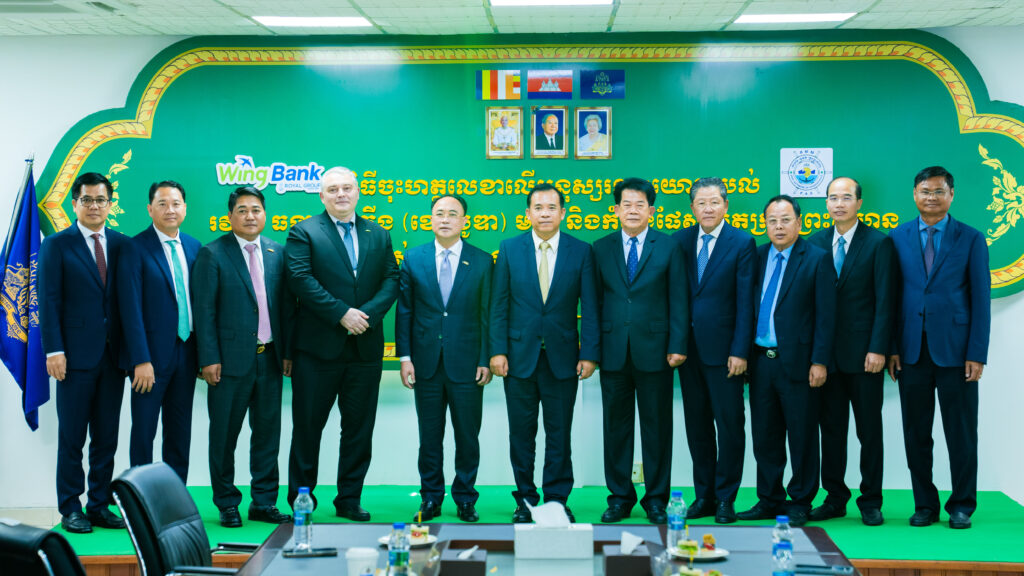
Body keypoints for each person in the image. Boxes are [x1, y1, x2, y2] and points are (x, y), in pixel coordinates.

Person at [285, 166, 399, 522]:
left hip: (365, 350)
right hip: (317, 351)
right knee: (308, 429)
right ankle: (302, 500)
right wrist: (341, 314)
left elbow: (391, 278)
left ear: (358, 192)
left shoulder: (378, 233)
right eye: (333, 189)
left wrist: (366, 315)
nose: (341, 194)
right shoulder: (304, 231)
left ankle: (349, 499)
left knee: (358, 430)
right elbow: (300, 279)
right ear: (322, 196)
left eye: (347, 188)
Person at [887, 166, 990, 530]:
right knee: (916, 434)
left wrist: (977, 352)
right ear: (914, 195)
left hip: (957, 353)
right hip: (911, 351)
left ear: (951, 195)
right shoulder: (897, 237)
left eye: (938, 191)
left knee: (961, 433)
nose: (931, 197)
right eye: (925, 191)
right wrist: (892, 347)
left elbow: (981, 298)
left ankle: (961, 505)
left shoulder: (971, 238)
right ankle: (925, 505)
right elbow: (891, 297)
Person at [489, 183, 598, 524]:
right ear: (528, 213)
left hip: (563, 359)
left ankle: (556, 500)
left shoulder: (581, 251)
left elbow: (591, 308)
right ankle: (525, 500)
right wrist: (497, 351)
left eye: (552, 207)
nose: (545, 213)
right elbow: (498, 305)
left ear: (563, 212)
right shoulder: (509, 249)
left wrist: (589, 353)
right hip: (518, 358)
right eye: (538, 208)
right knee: (521, 435)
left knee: (559, 433)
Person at [192, 186, 295, 528]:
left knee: (267, 435)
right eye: (242, 210)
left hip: (270, 358)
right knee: (224, 436)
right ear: (230, 215)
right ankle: (226, 502)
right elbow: (204, 311)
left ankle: (264, 502)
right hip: (228, 363)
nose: (250, 216)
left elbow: (285, 308)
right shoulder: (212, 253)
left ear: (264, 214)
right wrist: (208, 358)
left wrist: (287, 352)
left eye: (256, 210)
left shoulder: (277, 252)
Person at [593, 177, 687, 525]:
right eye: (626, 204)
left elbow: (679, 298)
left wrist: (677, 344)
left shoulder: (669, 246)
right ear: (616, 209)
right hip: (613, 351)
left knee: (657, 428)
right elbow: (593, 303)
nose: (633, 210)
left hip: (657, 351)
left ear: (651, 210)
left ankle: (656, 499)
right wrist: (592, 350)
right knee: (615, 429)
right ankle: (619, 498)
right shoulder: (600, 248)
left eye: (640, 205)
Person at [737, 195, 835, 527]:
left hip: (800, 363)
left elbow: (826, 316)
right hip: (761, 361)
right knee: (765, 435)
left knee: (802, 435)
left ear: (799, 222)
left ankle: (801, 500)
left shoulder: (817, 258)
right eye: (772, 221)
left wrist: (819, 361)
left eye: (785, 220)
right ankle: (769, 498)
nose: (778, 226)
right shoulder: (757, 256)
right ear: (764, 224)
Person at [39, 172, 128, 534]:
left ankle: (99, 505)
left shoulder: (122, 244)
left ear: (110, 204)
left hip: (113, 357)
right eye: (87, 200)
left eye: (100, 200)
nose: (94, 206)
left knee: (106, 437)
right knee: (72, 437)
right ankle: (70, 507)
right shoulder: (57, 245)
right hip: (73, 358)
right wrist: (54, 350)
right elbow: (48, 301)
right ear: (74, 203)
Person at [396, 195, 493, 523]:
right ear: (431, 219)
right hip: (426, 363)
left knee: (467, 436)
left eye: (453, 214)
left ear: (465, 221)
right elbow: (405, 312)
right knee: (429, 436)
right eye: (440, 213)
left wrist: (485, 358)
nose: (446, 219)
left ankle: (465, 498)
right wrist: (405, 357)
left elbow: (487, 315)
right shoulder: (413, 258)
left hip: (468, 364)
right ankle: (430, 497)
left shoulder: (482, 261)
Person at [808, 177, 893, 527]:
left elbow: (886, 301)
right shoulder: (814, 243)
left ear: (859, 202)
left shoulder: (878, 243)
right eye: (833, 198)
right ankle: (834, 498)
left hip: (865, 358)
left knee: (869, 431)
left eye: (846, 197)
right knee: (831, 431)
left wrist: (879, 348)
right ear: (826, 204)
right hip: (826, 358)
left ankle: (871, 500)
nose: (839, 204)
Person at [672, 177, 755, 525]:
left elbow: (746, 302)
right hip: (688, 352)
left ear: (726, 205)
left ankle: (725, 498)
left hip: (726, 355)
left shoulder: (742, 242)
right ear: (692, 208)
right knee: (698, 427)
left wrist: (740, 350)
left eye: (714, 202)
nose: (708, 208)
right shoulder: (679, 241)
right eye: (701, 203)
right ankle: (704, 495)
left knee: (730, 426)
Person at [118, 180, 201, 483]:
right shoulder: (134, 248)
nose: (170, 210)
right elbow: (129, 309)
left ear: (185, 208)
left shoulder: (194, 247)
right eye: (162, 204)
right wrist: (140, 360)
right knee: (144, 431)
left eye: (176, 204)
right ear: (150, 209)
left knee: (179, 431)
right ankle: (140, 496)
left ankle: (174, 495)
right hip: (149, 360)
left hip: (187, 352)